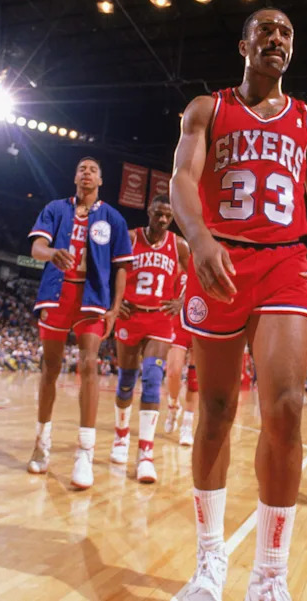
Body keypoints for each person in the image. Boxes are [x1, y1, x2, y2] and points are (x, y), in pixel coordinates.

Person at [170, 7, 307, 600]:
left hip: (283, 268)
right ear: (243, 43)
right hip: (219, 262)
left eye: (287, 32)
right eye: (266, 30)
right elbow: (182, 181)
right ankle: (210, 561)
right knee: (215, 410)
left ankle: (270, 574)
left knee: (287, 409)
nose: (277, 38)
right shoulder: (207, 109)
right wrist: (198, 238)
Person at [26, 156, 133, 489]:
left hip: (92, 299)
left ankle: (85, 452)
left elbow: (122, 268)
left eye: (93, 170)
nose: (87, 173)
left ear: (100, 180)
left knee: (90, 366)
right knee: (50, 369)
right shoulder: (56, 209)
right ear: (75, 177)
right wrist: (52, 253)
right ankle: (41, 442)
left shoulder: (113, 218)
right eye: (82, 169)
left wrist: (115, 309)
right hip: (57, 295)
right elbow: (36, 247)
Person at [110, 194, 189, 483]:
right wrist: (115, 300)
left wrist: (181, 300)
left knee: (153, 379)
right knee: (126, 382)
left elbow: (190, 274)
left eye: (168, 215)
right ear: (149, 212)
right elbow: (110, 268)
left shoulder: (179, 245)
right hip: (131, 316)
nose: (163, 219)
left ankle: (145, 453)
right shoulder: (130, 238)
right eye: (158, 214)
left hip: (159, 318)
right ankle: (120, 437)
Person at [165, 270, 199, 447]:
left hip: (200, 322)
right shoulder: (182, 265)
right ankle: (173, 405)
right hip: (178, 324)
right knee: (173, 371)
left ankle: (187, 425)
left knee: (195, 379)